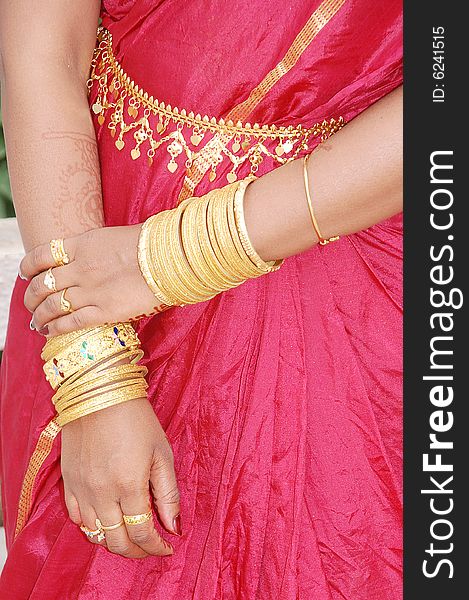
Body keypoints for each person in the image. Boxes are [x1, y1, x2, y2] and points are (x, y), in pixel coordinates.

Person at [0, 1, 403, 598]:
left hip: (343, 286)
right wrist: (93, 372)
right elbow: (44, 50)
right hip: (88, 246)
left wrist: (164, 260)